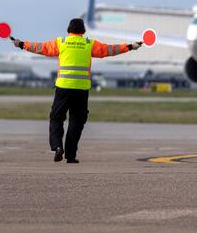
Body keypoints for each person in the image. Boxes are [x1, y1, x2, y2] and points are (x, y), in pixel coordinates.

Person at [10, 18, 142, 164]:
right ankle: (71, 156)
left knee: (56, 118)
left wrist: (21, 44)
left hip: (63, 88)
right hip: (81, 89)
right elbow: (110, 50)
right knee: (77, 122)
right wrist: (130, 46)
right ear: (83, 31)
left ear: (68, 31)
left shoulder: (61, 42)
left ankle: (57, 147)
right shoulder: (88, 44)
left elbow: (40, 47)